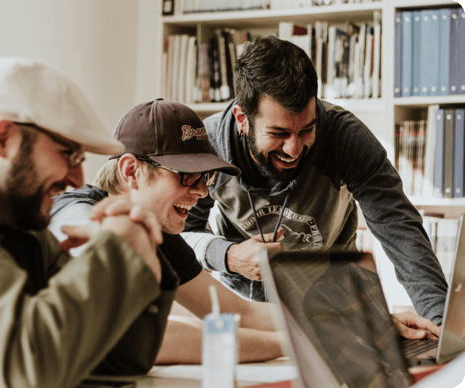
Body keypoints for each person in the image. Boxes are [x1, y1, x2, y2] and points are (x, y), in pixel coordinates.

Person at [0, 58, 178, 388]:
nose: (77, 180)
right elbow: (25, 372)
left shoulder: (11, 212)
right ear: (2, 138)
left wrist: (140, 252)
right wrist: (117, 251)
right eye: (69, 154)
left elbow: (114, 361)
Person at [181, 36, 448, 327]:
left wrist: (440, 323)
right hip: (244, 310)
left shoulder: (346, 138)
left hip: (334, 307)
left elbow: (400, 230)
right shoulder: (209, 147)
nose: (294, 149)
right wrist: (228, 255)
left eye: (307, 129)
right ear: (242, 118)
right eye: (279, 134)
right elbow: (180, 234)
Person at [49, 98, 284, 364]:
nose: (202, 192)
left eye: (205, 177)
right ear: (131, 171)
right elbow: (136, 334)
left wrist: (326, 323)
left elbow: (238, 313)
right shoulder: (73, 213)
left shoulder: (160, 236)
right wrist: (289, 345)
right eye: (187, 175)